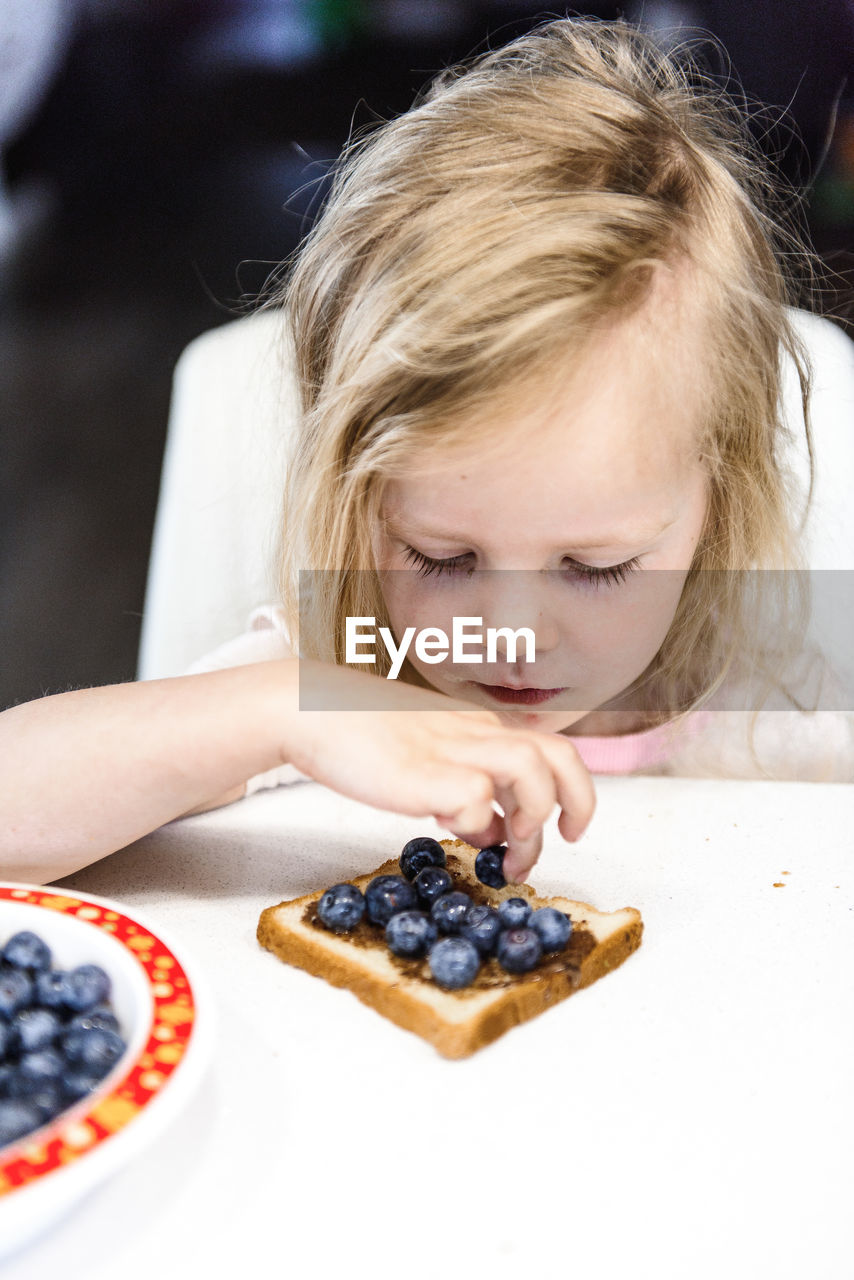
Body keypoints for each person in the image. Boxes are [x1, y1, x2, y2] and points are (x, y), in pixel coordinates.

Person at [1, 18, 851, 887]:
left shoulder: (780, 716)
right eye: (442, 556)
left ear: (721, 491)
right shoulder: (342, 677)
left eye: (596, 567)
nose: (512, 636)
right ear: (356, 493)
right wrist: (272, 712)